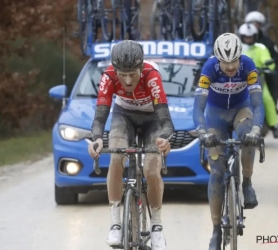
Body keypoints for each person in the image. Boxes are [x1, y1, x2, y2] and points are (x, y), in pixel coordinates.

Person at [88, 40, 174, 250]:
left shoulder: (151, 75)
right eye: (122, 74)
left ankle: (156, 225)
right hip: (123, 115)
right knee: (116, 157)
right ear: (115, 69)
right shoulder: (108, 76)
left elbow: (166, 121)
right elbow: (100, 116)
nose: (127, 80)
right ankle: (116, 222)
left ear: (141, 68)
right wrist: (97, 138)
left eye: (132, 74)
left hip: (152, 118)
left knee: (151, 170)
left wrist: (164, 138)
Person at [193, 33, 265, 250]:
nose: (231, 67)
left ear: (240, 57)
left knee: (247, 136)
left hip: (240, 110)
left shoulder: (248, 66)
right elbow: (198, 107)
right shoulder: (209, 69)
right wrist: (203, 132)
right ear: (218, 60)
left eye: (234, 61)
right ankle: (216, 230)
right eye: (226, 62)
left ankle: (247, 183)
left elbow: (258, 104)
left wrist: (256, 129)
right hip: (215, 116)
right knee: (216, 171)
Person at [238, 23, 278, 138]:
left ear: (255, 37)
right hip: (239, 80)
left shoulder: (260, 48)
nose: (248, 39)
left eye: (250, 37)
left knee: (267, 99)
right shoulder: (238, 48)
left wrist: (267, 66)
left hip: (258, 79)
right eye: (246, 37)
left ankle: (274, 126)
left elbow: (267, 59)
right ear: (241, 36)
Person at [245, 11, 278, 114]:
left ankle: (272, 112)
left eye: (257, 24)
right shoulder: (241, 40)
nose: (254, 26)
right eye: (252, 23)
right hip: (245, 72)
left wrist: (272, 69)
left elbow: (275, 58)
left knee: (272, 87)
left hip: (263, 71)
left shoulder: (267, 42)